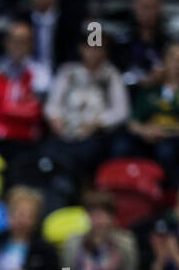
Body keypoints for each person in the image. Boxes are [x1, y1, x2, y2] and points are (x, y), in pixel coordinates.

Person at [117, 42, 179, 185]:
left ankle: (167, 194)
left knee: (166, 150)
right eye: (175, 59)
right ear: (165, 62)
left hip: (177, 140)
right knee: (122, 146)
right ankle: (130, 187)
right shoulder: (150, 90)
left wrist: (163, 133)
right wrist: (145, 131)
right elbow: (132, 122)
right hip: (147, 138)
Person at [42, 34, 129, 177]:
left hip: (95, 134)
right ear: (81, 48)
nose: (93, 53)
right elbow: (52, 104)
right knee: (48, 152)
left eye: (98, 48)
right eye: (90, 48)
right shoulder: (68, 71)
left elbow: (121, 111)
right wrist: (55, 118)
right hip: (65, 131)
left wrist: (98, 123)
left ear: (105, 51)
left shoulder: (111, 75)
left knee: (86, 154)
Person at [0, 19, 52, 156]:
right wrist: (16, 108)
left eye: (23, 41)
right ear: (6, 43)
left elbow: (35, 112)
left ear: (31, 45)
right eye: (14, 40)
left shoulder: (41, 74)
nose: (18, 46)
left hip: (24, 142)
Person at [115, 0, 169, 88]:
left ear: (159, 8)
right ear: (135, 7)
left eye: (152, 7)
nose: (148, 12)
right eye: (144, 7)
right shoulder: (120, 42)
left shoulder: (169, 42)